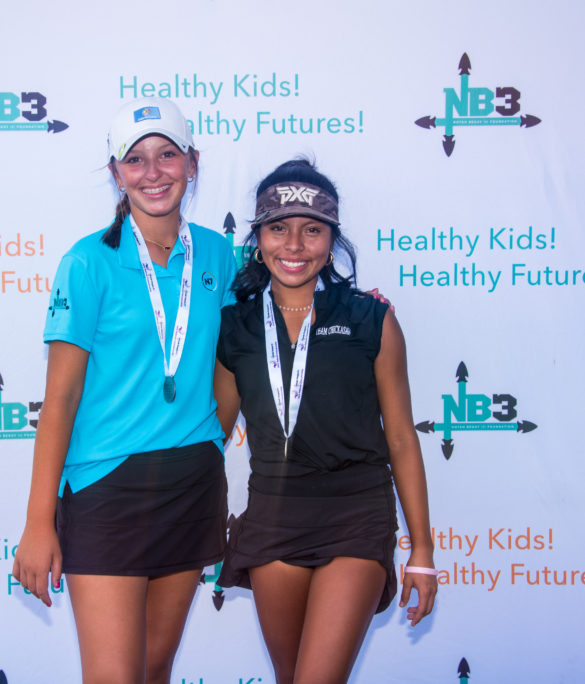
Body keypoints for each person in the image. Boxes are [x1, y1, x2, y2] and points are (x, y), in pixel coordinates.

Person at [11, 97, 238, 684]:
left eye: (167, 155)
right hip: (105, 487)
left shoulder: (219, 253)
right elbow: (60, 400)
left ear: (192, 163)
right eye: (135, 159)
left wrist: (210, 438)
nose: (153, 172)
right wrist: (38, 521)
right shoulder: (87, 262)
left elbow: (241, 353)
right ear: (116, 172)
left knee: (155, 668)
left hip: (191, 481)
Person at [213, 159, 438, 684]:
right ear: (258, 238)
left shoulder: (371, 319)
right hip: (273, 517)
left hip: (355, 514)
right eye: (278, 228)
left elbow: (401, 438)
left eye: (312, 230)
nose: (294, 245)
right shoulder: (236, 326)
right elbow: (212, 437)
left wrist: (422, 550)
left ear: (332, 239)